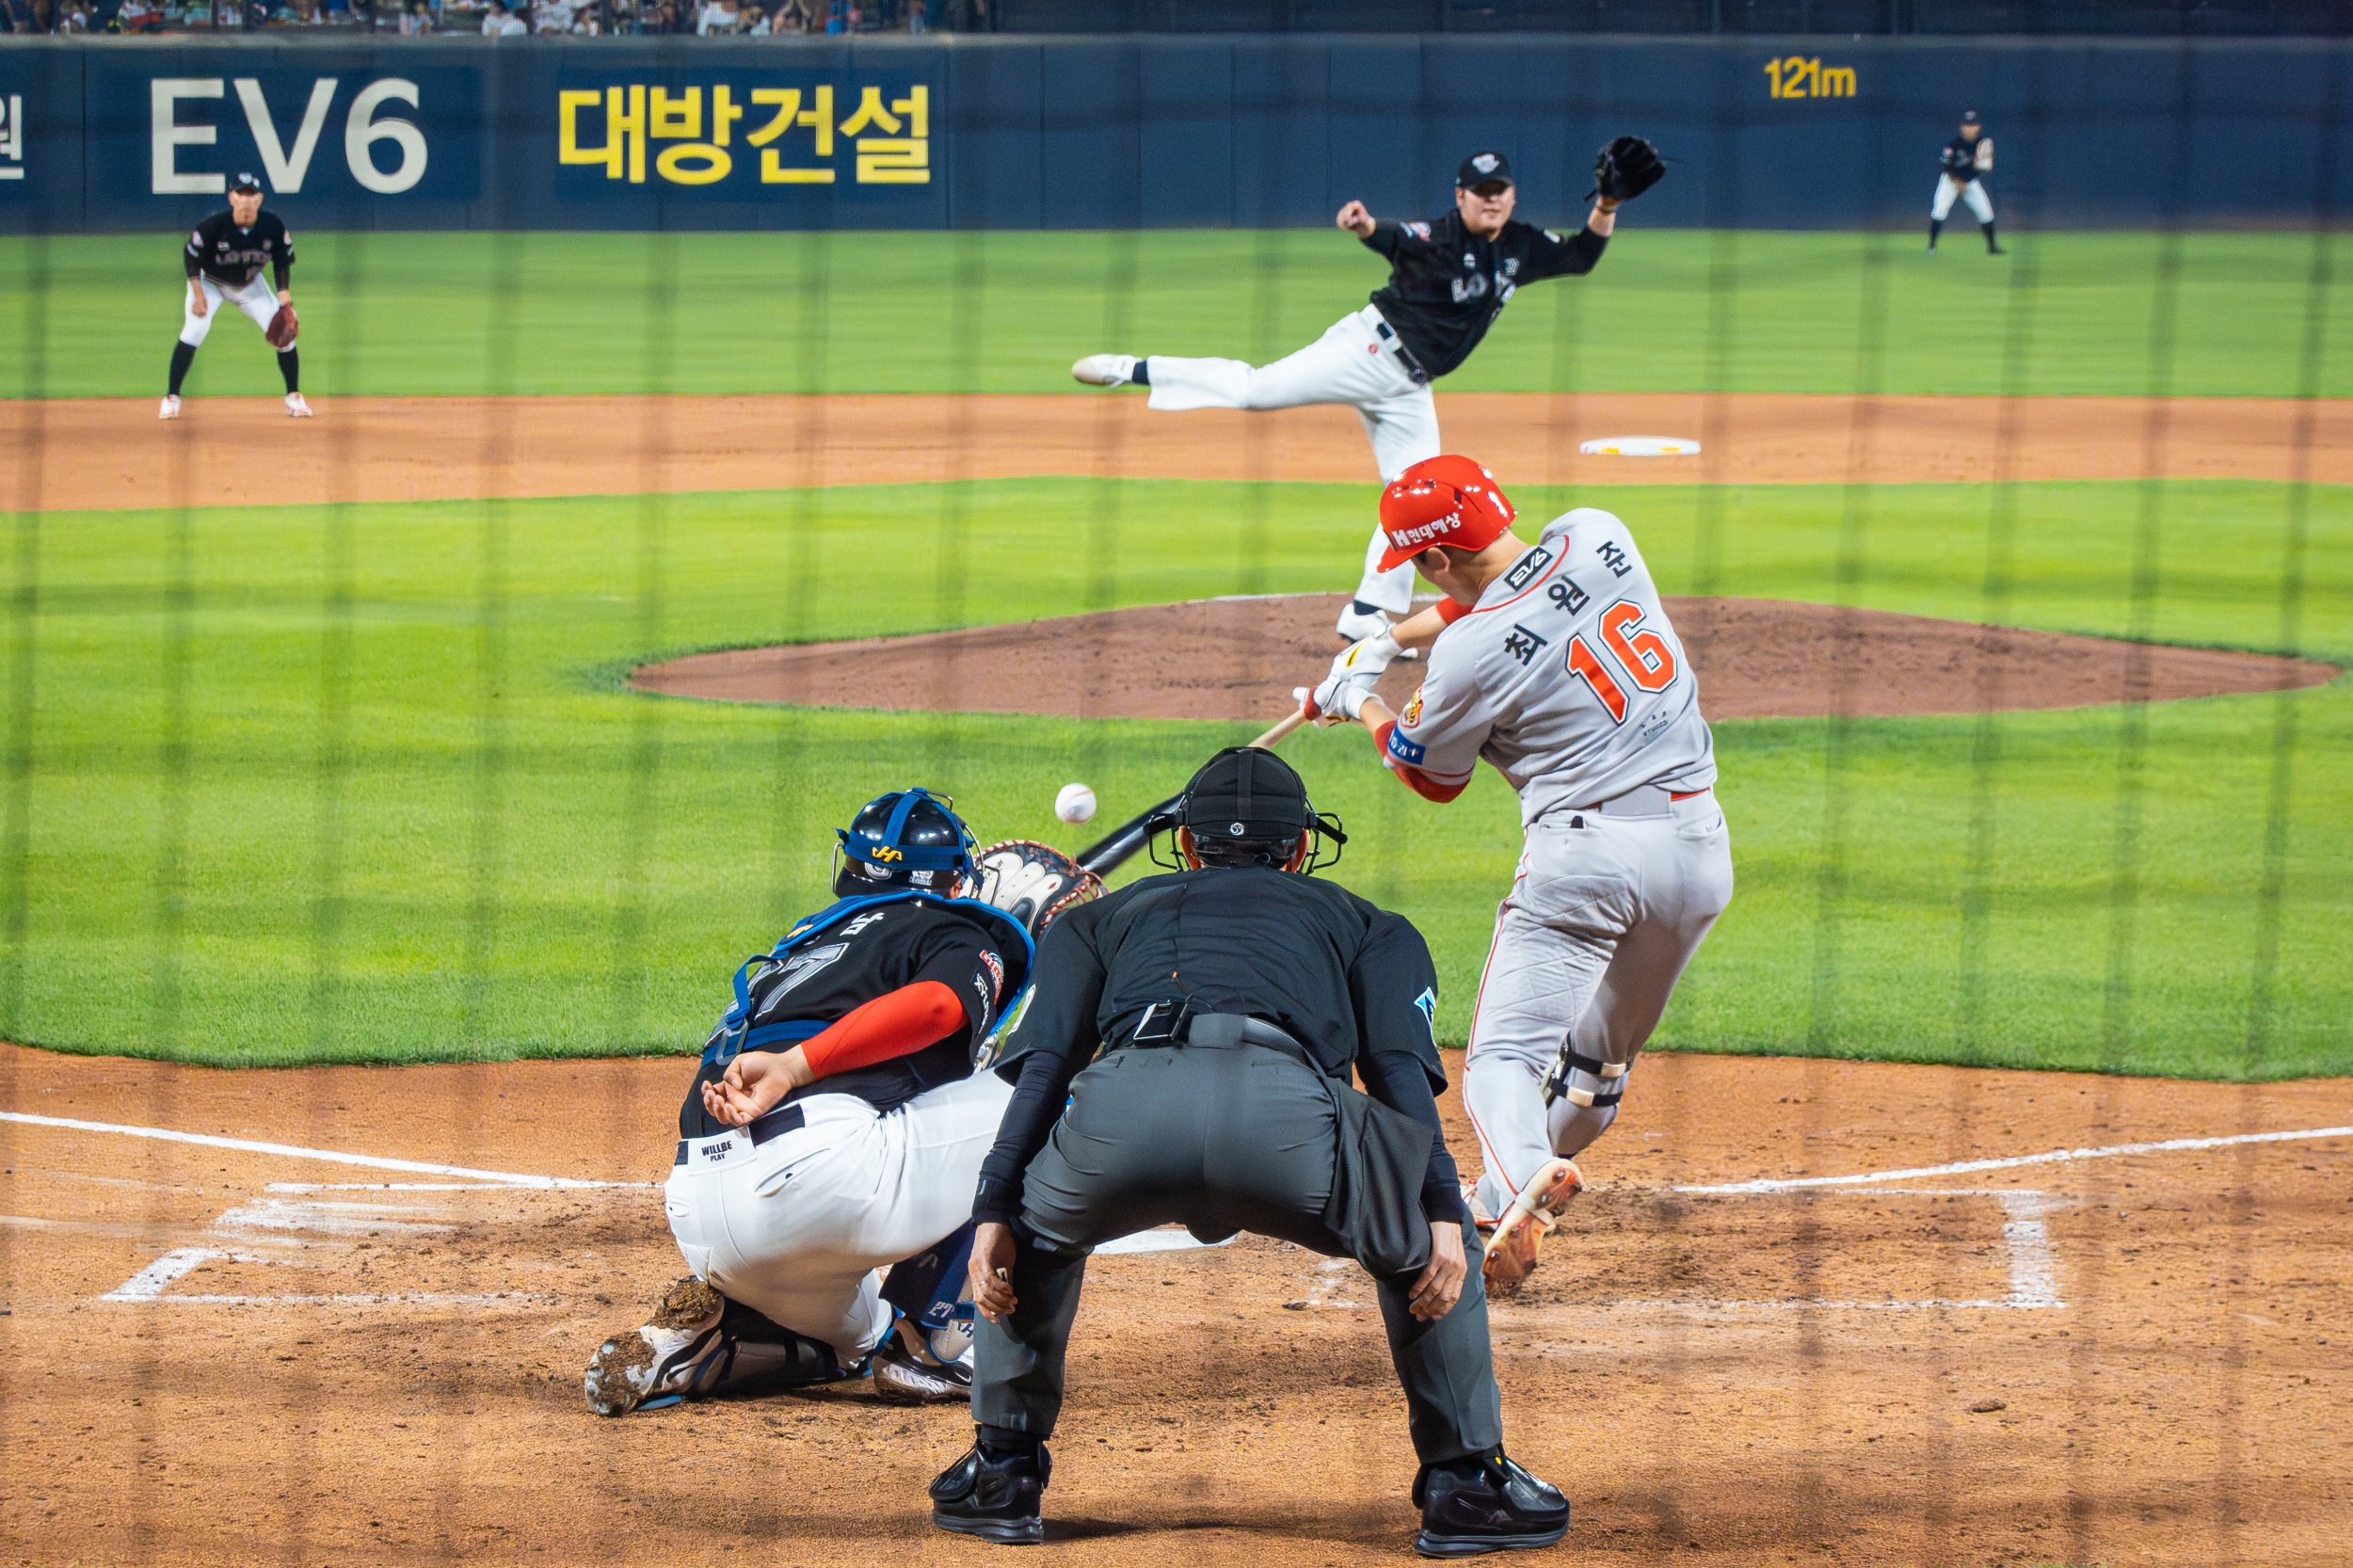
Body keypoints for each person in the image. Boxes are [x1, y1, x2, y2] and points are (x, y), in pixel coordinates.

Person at [927, 747, 1570, 1557]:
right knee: (1430, 1246)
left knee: (1032, 1229)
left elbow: (1043, 1076)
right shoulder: (1371, 924)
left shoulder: (1093, 921)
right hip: (1290, 1126)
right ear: (1300, 849)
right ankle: (1468, 1485)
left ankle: (1003, 1475)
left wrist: (996, 1210)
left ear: (1186, 846)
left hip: (1123, 1120)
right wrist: (1441, 1213)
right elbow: (1399, 1083)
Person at [1302, 456, 1733, 1296]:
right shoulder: (1598, 534)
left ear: (1432, 557)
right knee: (1596, 1068)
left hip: (1586, 862)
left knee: (1502, 1057)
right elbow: (1511, 590)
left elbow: (1429, 776)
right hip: (1697, 852)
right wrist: (1392, 641)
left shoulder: (1468, 656)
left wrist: (1361, 701)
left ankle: (1527, 1171)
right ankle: (1508, 1194)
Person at [1071, 142, 1660, 645]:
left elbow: (1580, 256)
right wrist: (1365, 227)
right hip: (1365, 352)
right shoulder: (1439, 236)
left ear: (1512, 195)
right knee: (1256, 391)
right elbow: (1395, 237)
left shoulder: (1520, 246)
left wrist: (1606, 205)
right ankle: (1134, 369)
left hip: (1408, 390)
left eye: (1499, 190)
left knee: (1420, 495)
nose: (1491, 200)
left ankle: (1367, 614)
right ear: (1460, 196)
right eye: (1480, 191)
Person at [584, 789, 1036, 1415]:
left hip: (705, 1218)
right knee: (1047, 1094)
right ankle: (934, 1342)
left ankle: (718, 1338)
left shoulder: (802, 947)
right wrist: (799, 1066)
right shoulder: (945, 927)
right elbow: (939, 1005)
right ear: (953, 881)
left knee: (855, 1340)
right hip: (819, 1186)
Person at [162, 173, 307, 422]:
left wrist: (285, 301)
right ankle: (171, 398)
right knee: (194, 330)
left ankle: (294, 397)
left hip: (250, 286)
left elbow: (282, 262)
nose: (246, 200)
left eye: (252, 195)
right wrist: (197, 294)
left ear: (260, 199)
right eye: (241, 194)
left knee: (285, 334)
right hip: (210, 283)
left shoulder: (272, 226)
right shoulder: (213, 226)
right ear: (231, 198)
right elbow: (191, 257)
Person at [1929, 110, 2002, 255]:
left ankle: (1992, 248)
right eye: (1967, 125)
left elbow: (1983, 168)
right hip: (1950, 181)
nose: (1969, 128)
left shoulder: (1983, 144)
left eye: (1973, 125)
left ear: (1978, 127)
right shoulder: (1953, 145)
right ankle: (1931, 247)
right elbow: (1946, 167)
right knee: (1940, 210)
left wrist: (1966, 181)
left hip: (1970, 181)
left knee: (1986, 211)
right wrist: (1958, 182)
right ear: (1961, 127)